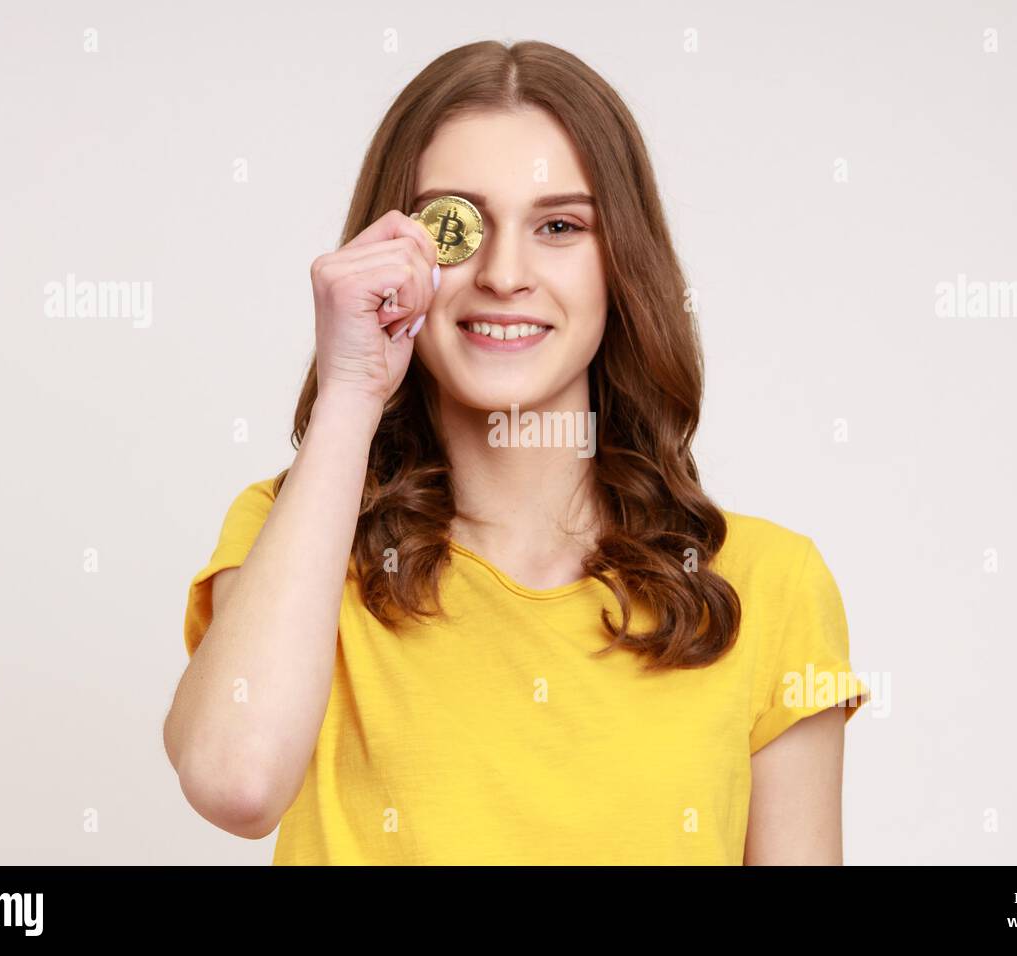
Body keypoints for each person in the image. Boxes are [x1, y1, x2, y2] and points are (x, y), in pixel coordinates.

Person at [163, 39, 870, 865]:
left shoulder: (768, 584)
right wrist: (351, 390)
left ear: (621, 265)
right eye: (454, 226)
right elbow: (236, 784)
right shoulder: (298, 540)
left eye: (559, 226)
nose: (504, 274)